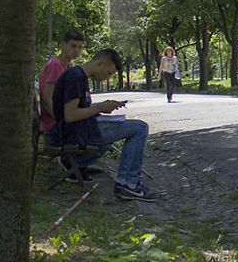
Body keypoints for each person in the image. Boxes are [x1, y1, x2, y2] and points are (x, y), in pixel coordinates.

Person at [52, 48, 158, 201]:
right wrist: (100, 107)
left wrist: (102, 108)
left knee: (121, 126)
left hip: (80, 130)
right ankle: (128, 184)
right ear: (100, 64)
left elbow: (80, 110)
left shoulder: (80, 77)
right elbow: (70, 115)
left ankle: (75, 163)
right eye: (109, 73)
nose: (107, 79)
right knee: (140, 128)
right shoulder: (74, 77)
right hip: (74, 133)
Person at [38, 30, 85, 142]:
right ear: (63, 45)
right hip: (53, 125)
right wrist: (60, 120)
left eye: (80, 47)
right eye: (73, 46)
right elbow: (47, 99)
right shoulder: (55, 65)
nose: (76, 51)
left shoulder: (69, 66)